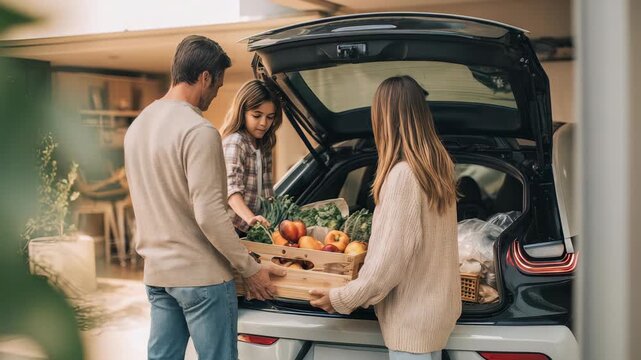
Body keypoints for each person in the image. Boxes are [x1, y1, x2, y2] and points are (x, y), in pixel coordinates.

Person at [124, 35, 285, 360]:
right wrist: (248, 268)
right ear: (205, 77)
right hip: (202, 279)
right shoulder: (199, 131)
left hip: (157, 274)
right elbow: (210, 213)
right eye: (217, 85)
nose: (215, 95)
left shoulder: (137, 127)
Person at [309, 75, 462, 360]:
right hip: (433, 319)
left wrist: (341, 298)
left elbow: (388, 265)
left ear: (386, 118)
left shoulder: (403, 176)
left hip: (410, 325)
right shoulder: (438, 171)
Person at [220, 80, 283, 235]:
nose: (264, 123)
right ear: (242, 112)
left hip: (253, 229)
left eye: (270, 117)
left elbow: (268, 194)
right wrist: (251, 219)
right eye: (257, 115)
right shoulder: (236, 142)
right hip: (233, 228)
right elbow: (230, 188)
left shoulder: (264, 145)